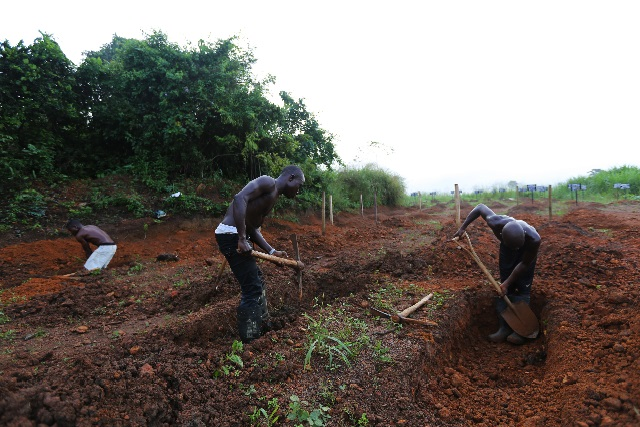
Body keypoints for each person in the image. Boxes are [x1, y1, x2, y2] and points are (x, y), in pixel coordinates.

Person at [215, 165, 305, 343]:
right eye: (299, 185)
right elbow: (239, 198)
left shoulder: (273, 197)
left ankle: (261, 324)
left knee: (257, 280)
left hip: (235, 235)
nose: (298, 190)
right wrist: (241, 238)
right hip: (230, 235)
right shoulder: (268, 183)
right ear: (290, 178)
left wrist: (272, 252)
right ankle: (250, 339)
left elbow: (252, 228)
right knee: (252, 288)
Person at [453, 204, 541, 345]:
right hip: (506, 248)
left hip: (527, 252)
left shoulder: (534, 239)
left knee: (522, 283)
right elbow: (480, 207)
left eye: (517, 247)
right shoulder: (495, 222)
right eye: (514, 247)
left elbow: (524, 264)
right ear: (501, 235)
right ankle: (504, 327)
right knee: (504, 285)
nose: (515, 250)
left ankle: (520, 332)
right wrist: (463, 227)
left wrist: (507, 283)